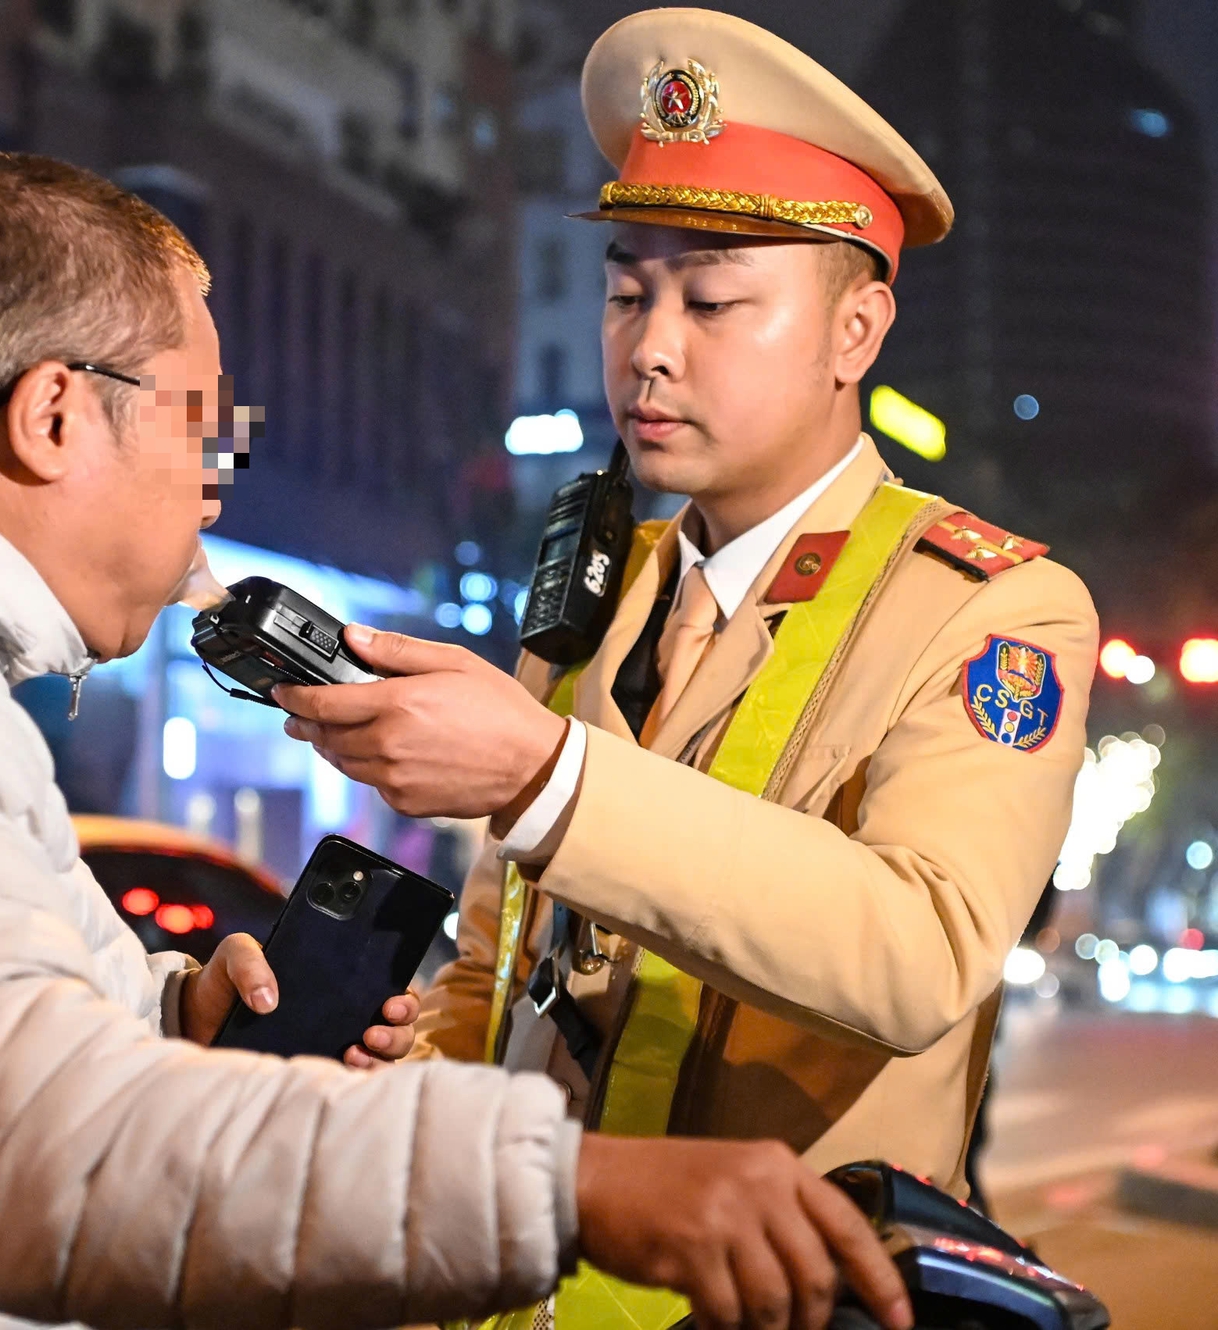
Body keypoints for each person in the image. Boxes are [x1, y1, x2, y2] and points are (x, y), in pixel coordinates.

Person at [0, 153, 910, 1330]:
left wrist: (170, 1016)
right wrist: (568, 1181)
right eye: (206, 427)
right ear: (56, 413)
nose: (216, 480)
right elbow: (27, 1156)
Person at [278, 11, 1097, 1327]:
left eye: (712, 299)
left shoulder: (997, 610)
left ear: (857, 331)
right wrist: (394, 1059)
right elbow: (504, 967)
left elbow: (921, 949)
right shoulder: (596, 592)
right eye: (624, 290)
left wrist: (551, 780)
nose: (650, 346)